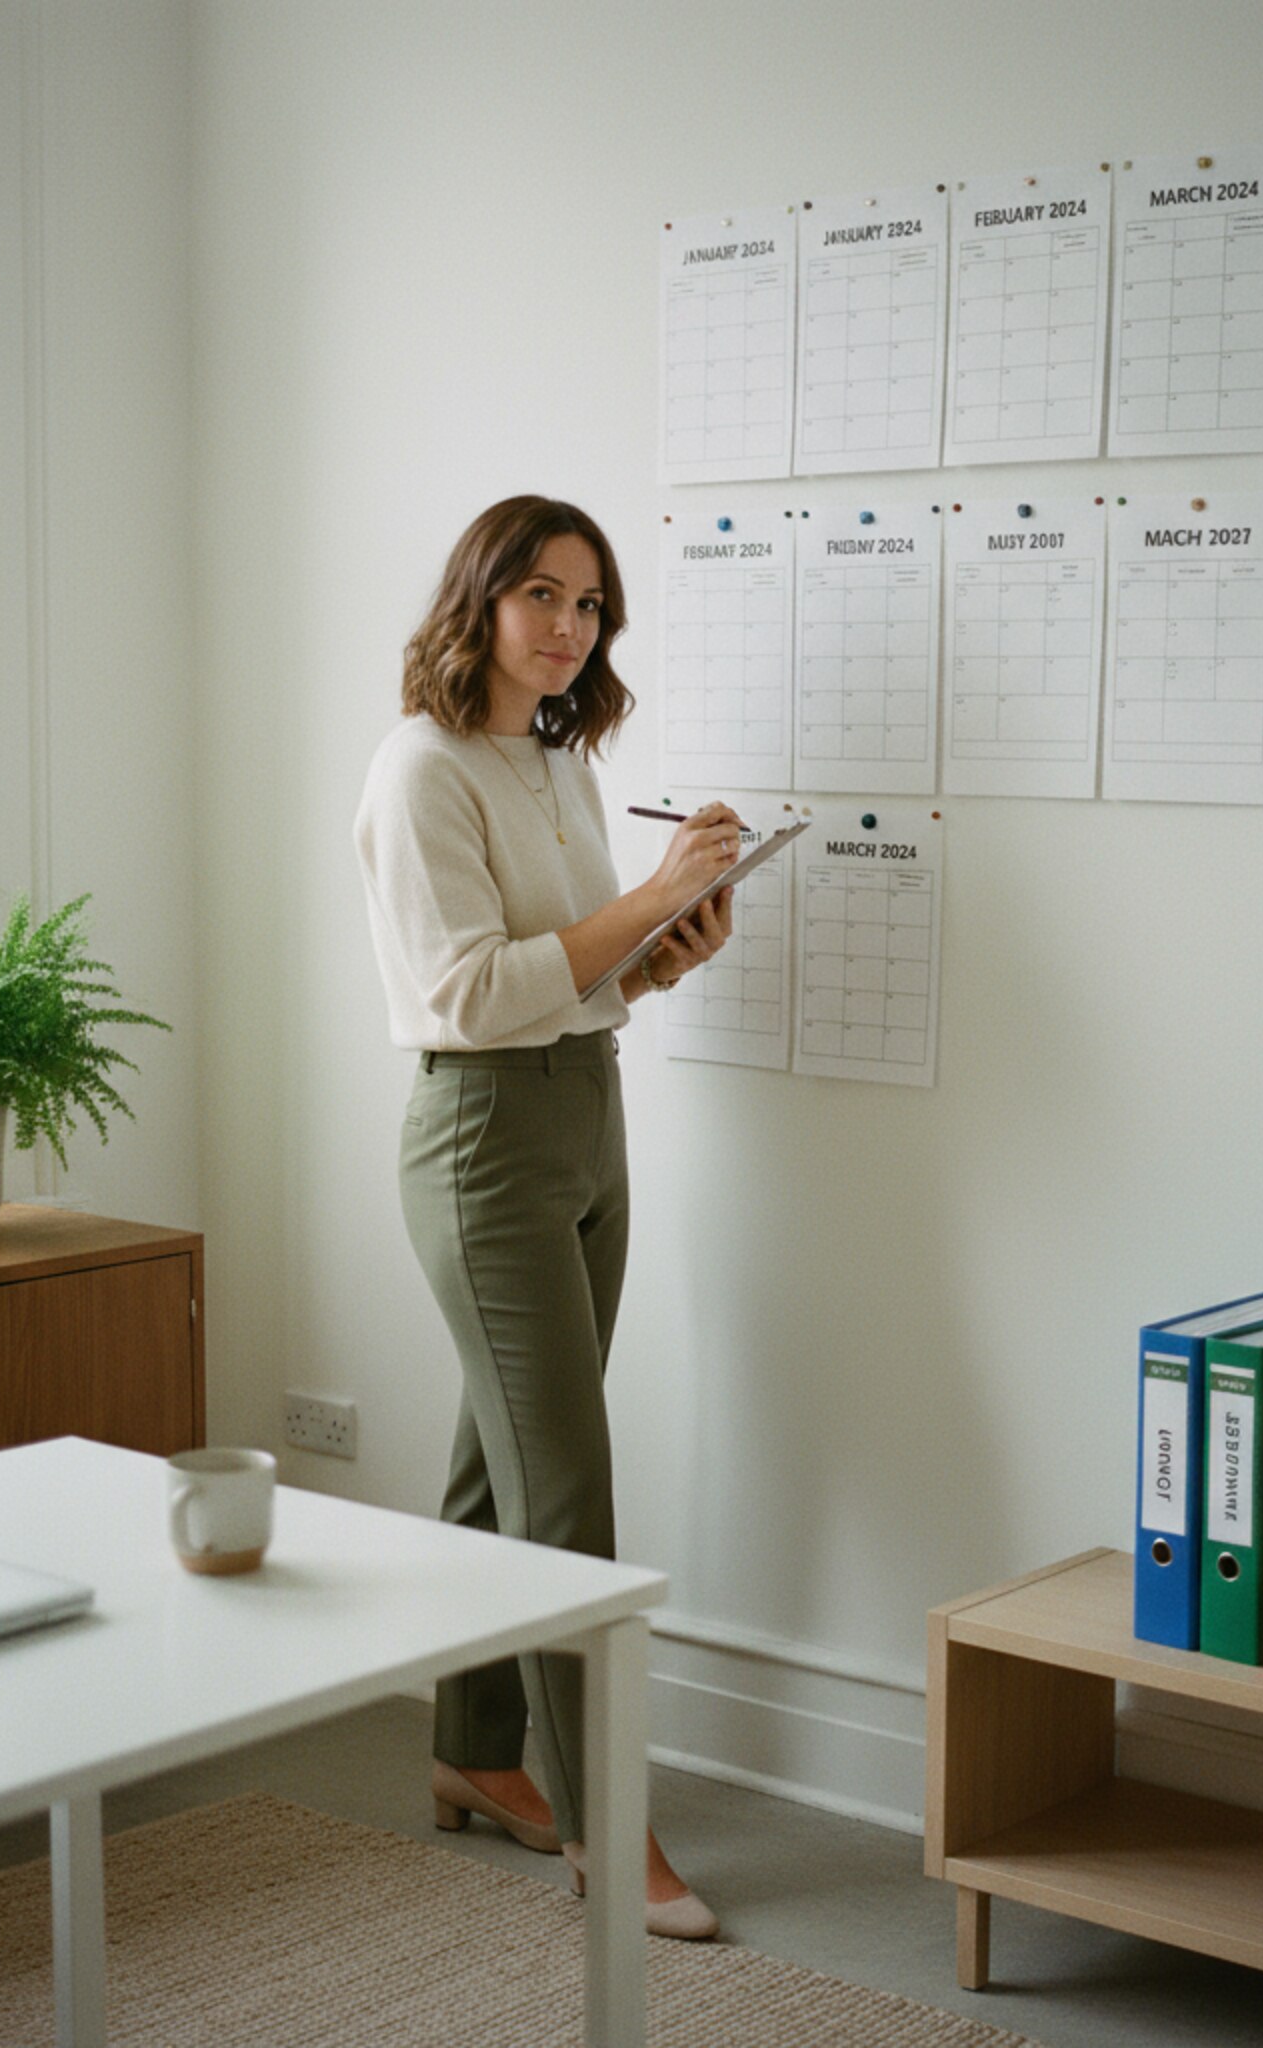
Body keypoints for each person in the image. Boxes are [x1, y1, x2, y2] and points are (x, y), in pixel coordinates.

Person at [354, 494, 742, 1941]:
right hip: (484, 1135)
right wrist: (644, 897)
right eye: (543, 596)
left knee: (496, 1456)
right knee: (566, 1487)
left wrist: (664, 945)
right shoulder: (421, 770)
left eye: (591, 606)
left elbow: (568, 979)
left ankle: (473, 1746)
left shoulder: (559, 762)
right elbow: (463, 991)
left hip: (587, 1110)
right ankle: (605, 1826)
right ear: (479, 600)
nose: (571, 628)